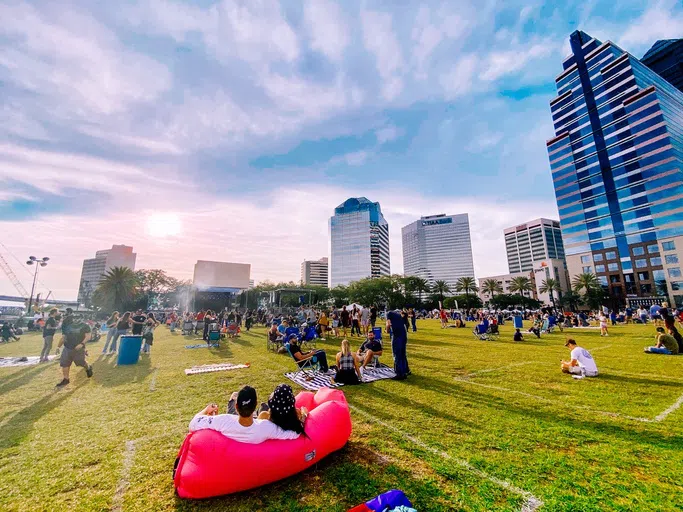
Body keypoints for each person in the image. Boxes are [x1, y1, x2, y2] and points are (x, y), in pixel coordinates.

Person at [188, 386, 300, 444]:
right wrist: (303, 416)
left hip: (233, 421)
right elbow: (294, 434)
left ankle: (235, 399)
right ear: (254, 405)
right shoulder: (265, 427)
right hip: (255, 421)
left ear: (237, 407)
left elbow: (193, 423)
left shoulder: (223, 420)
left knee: (234, 394)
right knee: (264, 408)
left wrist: (206, 410)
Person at [56, 315, 93, 387]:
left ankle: (88, 367)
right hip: (67, 347)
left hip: (79, 348)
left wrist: (82, 344)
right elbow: (63, 338)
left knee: (81, 362)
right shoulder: (68, 326)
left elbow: (88, 336)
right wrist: (58, 347)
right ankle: (66, 379)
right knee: (64, 363)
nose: (75, 320)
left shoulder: (85, 326)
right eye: (74, 318)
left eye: (77, 318)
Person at [386, 309, 409, 380]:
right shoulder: (399, 315)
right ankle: (405, 371)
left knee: (396, 353)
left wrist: (387, 330)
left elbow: (388, 324)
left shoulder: (388, 314)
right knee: (402, 353)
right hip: (404, 335)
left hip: (396, 336)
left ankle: (399, 373)